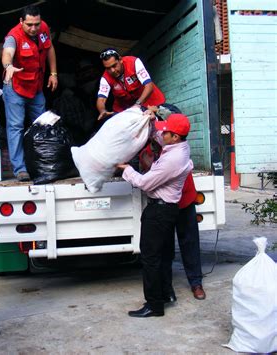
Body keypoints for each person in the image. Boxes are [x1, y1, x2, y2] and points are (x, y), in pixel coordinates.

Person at [117, 113, 193, 317]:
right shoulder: (178, 146)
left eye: (166, 131)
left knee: (150, 258)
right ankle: (166, 294)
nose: (162, 133)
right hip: (166, 210)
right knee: (163, 255)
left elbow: (143, 183)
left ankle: (154, 305)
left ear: (175, 137)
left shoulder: (173, 159)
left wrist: (126, 169)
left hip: (159, 211)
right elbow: (156, 134)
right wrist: (148, 121)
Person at [1, 4, 58, 181]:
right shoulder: (14, 36)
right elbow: (7, 53)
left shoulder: (43, 28)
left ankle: (42, 163)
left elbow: (49, 48)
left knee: (42, 125)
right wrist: (8, 66)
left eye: (36, 24)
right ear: (21, 22)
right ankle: (20, 169)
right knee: (16, 127)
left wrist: (53, 73)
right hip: (15, 87)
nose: (34, 28)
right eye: (29, 25)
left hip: (36, 87)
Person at [96, 48, 165, 121]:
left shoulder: (134, 62)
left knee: (164, 121)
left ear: (120, 60)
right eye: (108, 68)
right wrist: (102, 111)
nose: (112, 70)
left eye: (114, 65)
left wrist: (137, 104)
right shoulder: (105, 77)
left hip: (150, 102)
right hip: (125, 110)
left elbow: (149, 85)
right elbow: (101, 99)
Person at [176, 173, 206, 300]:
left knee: (190, 242)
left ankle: (196, 283)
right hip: (163, 200)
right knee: (163, 246)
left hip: (185, 197)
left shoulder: (181, 153)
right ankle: (165, 288)